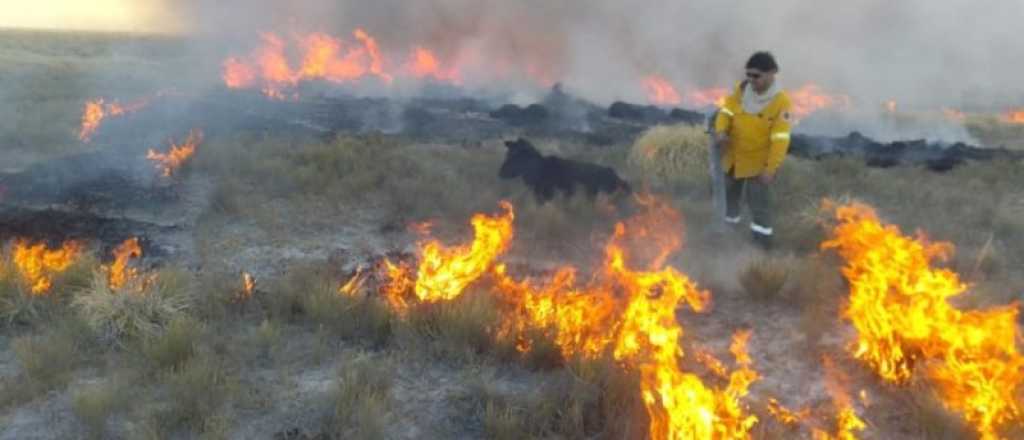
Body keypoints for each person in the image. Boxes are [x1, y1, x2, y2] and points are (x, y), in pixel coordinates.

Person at [712, 51, 792, 250]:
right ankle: (728, 237)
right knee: (730, 200)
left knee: (759, 207)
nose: (751, 80)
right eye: (748, 74)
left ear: (772, 73)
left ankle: (761, 247)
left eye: (756, 76)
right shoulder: (742, 89)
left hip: (758, 164)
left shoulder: (782, 103)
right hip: (733, 158)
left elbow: (780, 140)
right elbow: (726, 111)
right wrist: (721, 131)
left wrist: (770, 169)